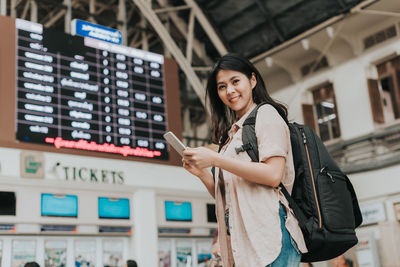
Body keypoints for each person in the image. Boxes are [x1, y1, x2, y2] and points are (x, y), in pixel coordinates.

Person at [182, 53, 307, 266]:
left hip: (272, 238)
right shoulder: (232, 134)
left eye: (235, 81)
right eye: (221, 87)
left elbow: (273, 175)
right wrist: (202, 173)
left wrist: (215, 160)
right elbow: (229, 194)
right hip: (248, 245)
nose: (229, 91)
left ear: (253, 80)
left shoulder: (266, 114)